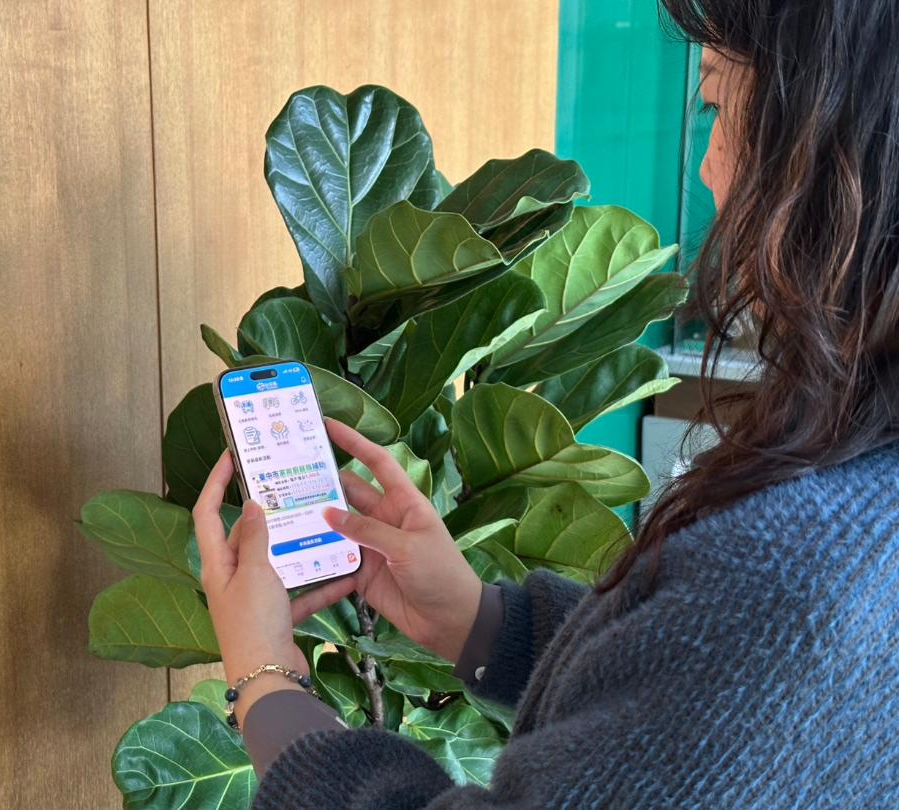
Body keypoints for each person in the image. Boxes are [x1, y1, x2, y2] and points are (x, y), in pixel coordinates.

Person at [191, 0, 899, 806]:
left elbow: (733, 677)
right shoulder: (858, 507)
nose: (708, 168)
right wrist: (477, 621)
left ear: (827, 149)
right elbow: (692, 707)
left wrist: (265, 680)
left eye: (713, 102)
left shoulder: (788, 584)